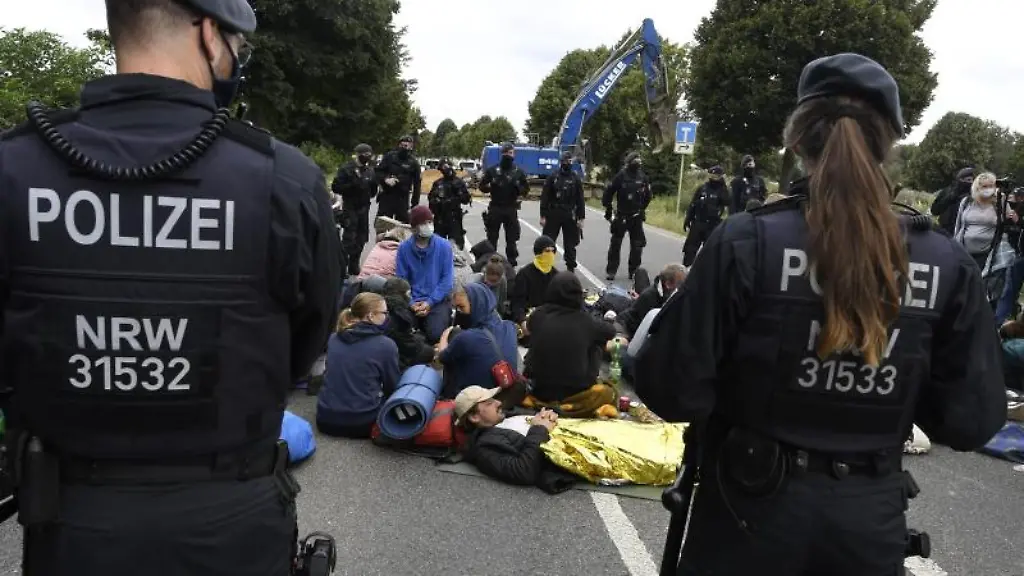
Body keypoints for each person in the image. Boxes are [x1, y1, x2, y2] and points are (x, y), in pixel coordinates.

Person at [0, 0, 342, 574]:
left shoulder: (14, 169)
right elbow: (304, 348)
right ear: (211, 34)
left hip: (72, 522)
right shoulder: (285, 179)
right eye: (238, 46)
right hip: (232, 522)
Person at [638, 53, 1006, 576]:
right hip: (868, 523)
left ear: (796, 138)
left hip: (747, 513)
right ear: (888, 142)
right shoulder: (945, 260)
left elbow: (672, 387)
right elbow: (971, 420)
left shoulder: (748, 241)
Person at [523, 272, 619, 418]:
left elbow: (529, 328)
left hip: (540, 389)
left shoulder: (539, 315)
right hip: (576, 391)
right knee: (597, 345)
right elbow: (610, 332)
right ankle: (573, 405)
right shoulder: (586, 321)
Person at [316, 293, 400, 438]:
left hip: (325, 419)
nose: (387, 317)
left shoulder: (333, 339)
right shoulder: (386, 345)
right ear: (370, 316)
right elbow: (392, 387)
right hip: (363, 423)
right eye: (384, 313)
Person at [455, 386, 571, 490]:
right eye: (489, 403)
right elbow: (524, 472)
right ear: (474, 417)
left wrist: (550, 414)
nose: (498, 402)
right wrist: (540, 428)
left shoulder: (508, 415)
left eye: (494, 399)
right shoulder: (485, 449)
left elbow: (541, 415)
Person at [437, 283, 519, 397]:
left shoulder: (468, 337)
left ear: (476, 304)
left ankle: (449, 395)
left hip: (481, 398)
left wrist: (445, 336)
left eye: (461, 307)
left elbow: (442, 357)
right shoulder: (509, 327)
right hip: (507, 392)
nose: (459, 312)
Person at [395, 205, 454, 343]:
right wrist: (411, 303)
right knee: (402, 330)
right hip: (412, 301)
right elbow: (401, 280)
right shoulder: (404, 249)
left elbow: (447, 280)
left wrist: (429, 302)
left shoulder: (444, 246)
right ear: (414, 227)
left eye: (430, 222)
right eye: (423, 223)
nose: (428, 226)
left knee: (435, 334)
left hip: (437, 301)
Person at [602, 152, 652, 280]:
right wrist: (608, 208)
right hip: (621, 215)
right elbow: (609, 192)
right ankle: (611, 270)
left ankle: (633, 271)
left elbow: (648, 196)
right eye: (635, 161)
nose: (637, 163)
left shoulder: (643, 177)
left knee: (637, 245)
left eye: (639, 161)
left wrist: (642, 209)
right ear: (629, 163)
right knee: (615, 243)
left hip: (636, 216)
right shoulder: (621, 176)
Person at [953, 172, 1016, 270]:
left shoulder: (999, 201)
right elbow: (958, 225)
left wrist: (1012, 218)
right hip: (964, 252)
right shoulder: (967, 202)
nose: (988, 189)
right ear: (977, 187)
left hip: (988, 254)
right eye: (984, 186)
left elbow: (1009, 220)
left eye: (991, 186)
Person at [479, 142, 529, 266]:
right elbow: (482, 186)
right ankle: (490, 263)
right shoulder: (493, 170)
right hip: (496, 207)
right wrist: (490, 186)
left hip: (511, 208)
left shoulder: (518, 172)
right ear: (502, 154)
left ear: (514, 154)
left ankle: (511, 264)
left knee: (511, 239)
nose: (508, 155)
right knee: (492, 238)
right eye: (506, 153)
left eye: (510, 153)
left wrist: (518, 187)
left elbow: (526, 190)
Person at [333, 143, 379, 275]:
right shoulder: (347, 169)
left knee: (362, 238)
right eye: (365, 154)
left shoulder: (370, 170)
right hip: (350, 207)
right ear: (358, 154)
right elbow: (336, 187)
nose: (367, 157)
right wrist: (353, 185)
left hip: (364, 208)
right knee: (349, 239)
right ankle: (341, 266)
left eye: (369, 154)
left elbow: (373, 190)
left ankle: (354, 264)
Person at [540, 151, 586, 273]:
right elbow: (545, 196)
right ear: (561, 162)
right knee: (548, 241)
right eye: (566, 161)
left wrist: (581, 217)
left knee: (570, 244)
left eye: (570, 161)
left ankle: (570, 268)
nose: (568, 163)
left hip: (569, 214)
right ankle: (546, 267)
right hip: (554, 213)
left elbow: (580, 199)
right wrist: (543, 215)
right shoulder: (553, 177)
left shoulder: (575, 178)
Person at [615, 263, 686, 338]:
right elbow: (648, 329)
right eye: (680, 285)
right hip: (626, 328)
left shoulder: (667, 294)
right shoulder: (649, 297)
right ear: (668, 284)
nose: (682, 288)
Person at [381, 277, 436, 370]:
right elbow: (409, 346)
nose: (410, 297)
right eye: (408, 294)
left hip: (384, 350)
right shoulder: (399, 316)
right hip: (395, 357)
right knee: (428, 351)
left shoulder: (380, 307)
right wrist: (421, 338)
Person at [681, 166, 729, 267]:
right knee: (690, 249)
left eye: (716, 176)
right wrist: (688, 218)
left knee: (710, 252)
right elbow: (693, 204)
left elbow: (727, 204)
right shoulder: (702, 188)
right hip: (698, 222)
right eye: (711, 176)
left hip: (713, 225)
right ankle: (686, 269)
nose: (713, 178)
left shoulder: (723, 191)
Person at [511, 236, 559, 332]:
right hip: (530, 318)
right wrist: (522, 321)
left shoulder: (556, 275)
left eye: (552, 251)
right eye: (546, 251)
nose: (550, 254)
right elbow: (517, 303)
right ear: (538, 252)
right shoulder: (524, 274)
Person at [375, 135, 422, 223]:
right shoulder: (389, 157)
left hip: (402, 198)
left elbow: (417, 185)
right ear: (399, 145)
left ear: (411, 147)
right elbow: (378, 172)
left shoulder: (414, 163)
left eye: (407, 146)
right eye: (402, 145)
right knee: (382, 226)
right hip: (387, 195)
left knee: (402, 228)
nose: (405, 148)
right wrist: (386, 179)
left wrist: (414, 205)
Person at [428, 157, 471, 250]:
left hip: (454, 217)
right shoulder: (438, 183)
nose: (447, 168)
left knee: (456, 246)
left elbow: (466, 199)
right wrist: (438, 202)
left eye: (448, 166)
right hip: (440, 218)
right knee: (438, 246)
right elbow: (430, 201)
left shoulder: (459, 182)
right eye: (444, 166)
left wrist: (458, 194)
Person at [930, 167, 974, 235]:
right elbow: (934, 210)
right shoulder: (947, 192)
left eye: (971, 180)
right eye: (968, 180)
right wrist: (949, 198)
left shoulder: (972, 196)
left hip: (961, 233)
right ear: (960, 179)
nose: (970, 182)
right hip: (944, 231)